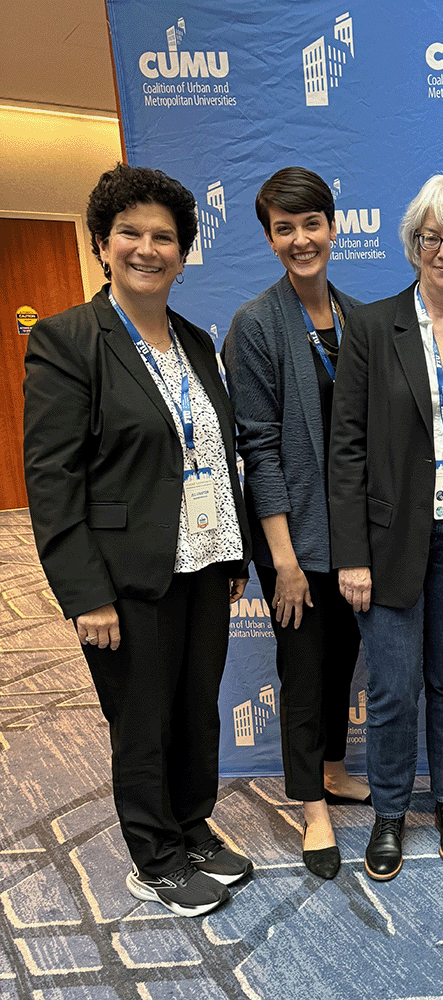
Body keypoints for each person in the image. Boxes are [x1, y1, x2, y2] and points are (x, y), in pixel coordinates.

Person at [23, 163, 253, 917]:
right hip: (123, 576)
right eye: (131, 233)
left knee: (195, 708)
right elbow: (52, 479)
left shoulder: (192, 339)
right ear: (102, 243)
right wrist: (85, 593)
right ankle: (153, 858)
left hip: (204, 559)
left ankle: (191, 827)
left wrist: (233, 550)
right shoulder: (67, 340)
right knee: (143, 719)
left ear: (184, 252)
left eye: (165, 237)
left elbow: (211, 449)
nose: (148, 249)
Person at [329, 175, 443, 882]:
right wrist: (351, 552)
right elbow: (345, 447)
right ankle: (387, 813)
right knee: (391, 687)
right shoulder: (374, 330)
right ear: (414, 245)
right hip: (385, 546)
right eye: (433, 237)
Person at [222, 167, 369, 882]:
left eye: (312, 223)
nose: (301, 239)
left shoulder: (358, 318)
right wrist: (281, 561)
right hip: (294, 542)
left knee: (342, 663)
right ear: (271, 238)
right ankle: (311, 806)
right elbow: (259, 448)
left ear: (333, 228)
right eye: (285, 228)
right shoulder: (255, 325)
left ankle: (335, 771)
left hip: (353, 542)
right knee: (304, 674)